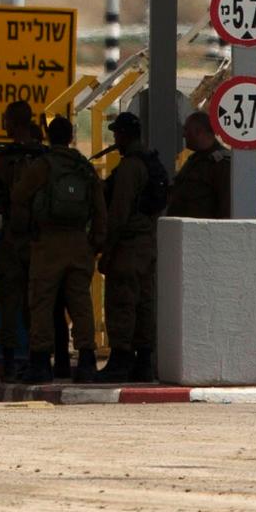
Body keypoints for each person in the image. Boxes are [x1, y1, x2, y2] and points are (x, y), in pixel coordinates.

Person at [14, 111, 105, 380]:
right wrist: (96, 243)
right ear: (72, 137)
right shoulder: (83, 167)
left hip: (48, 244)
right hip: (79, 244)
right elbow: (100, 208)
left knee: (42, 302)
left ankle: (41, 363)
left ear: (48, 137)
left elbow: (19, 195)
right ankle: (87, 362)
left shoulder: (43, 165)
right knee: (81, 304)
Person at [98, 109, 166, 381]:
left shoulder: (130, 167)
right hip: (147, 244)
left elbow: (119, 214)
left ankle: (120, 362)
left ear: (124, 135)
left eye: (116, 133)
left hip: (127, 246)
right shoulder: (149, 163)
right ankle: (143, 363)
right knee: (144, 303)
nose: (115, 138)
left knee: (121, 303)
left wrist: (106, 249)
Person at [0, 100, 44, 380]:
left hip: (12, 239)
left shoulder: (3, 157)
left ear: (14, 122)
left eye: (7, 120)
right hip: (42, 241)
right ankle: (38, 361)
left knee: (10, 302)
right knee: (40, 302)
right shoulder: (45, 156)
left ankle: (9, 364)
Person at [166, 107, 232, 220]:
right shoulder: (194, 159)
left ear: (199, 131)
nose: (184, 135)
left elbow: (226, 205)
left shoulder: (221, 163)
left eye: (187, 130)